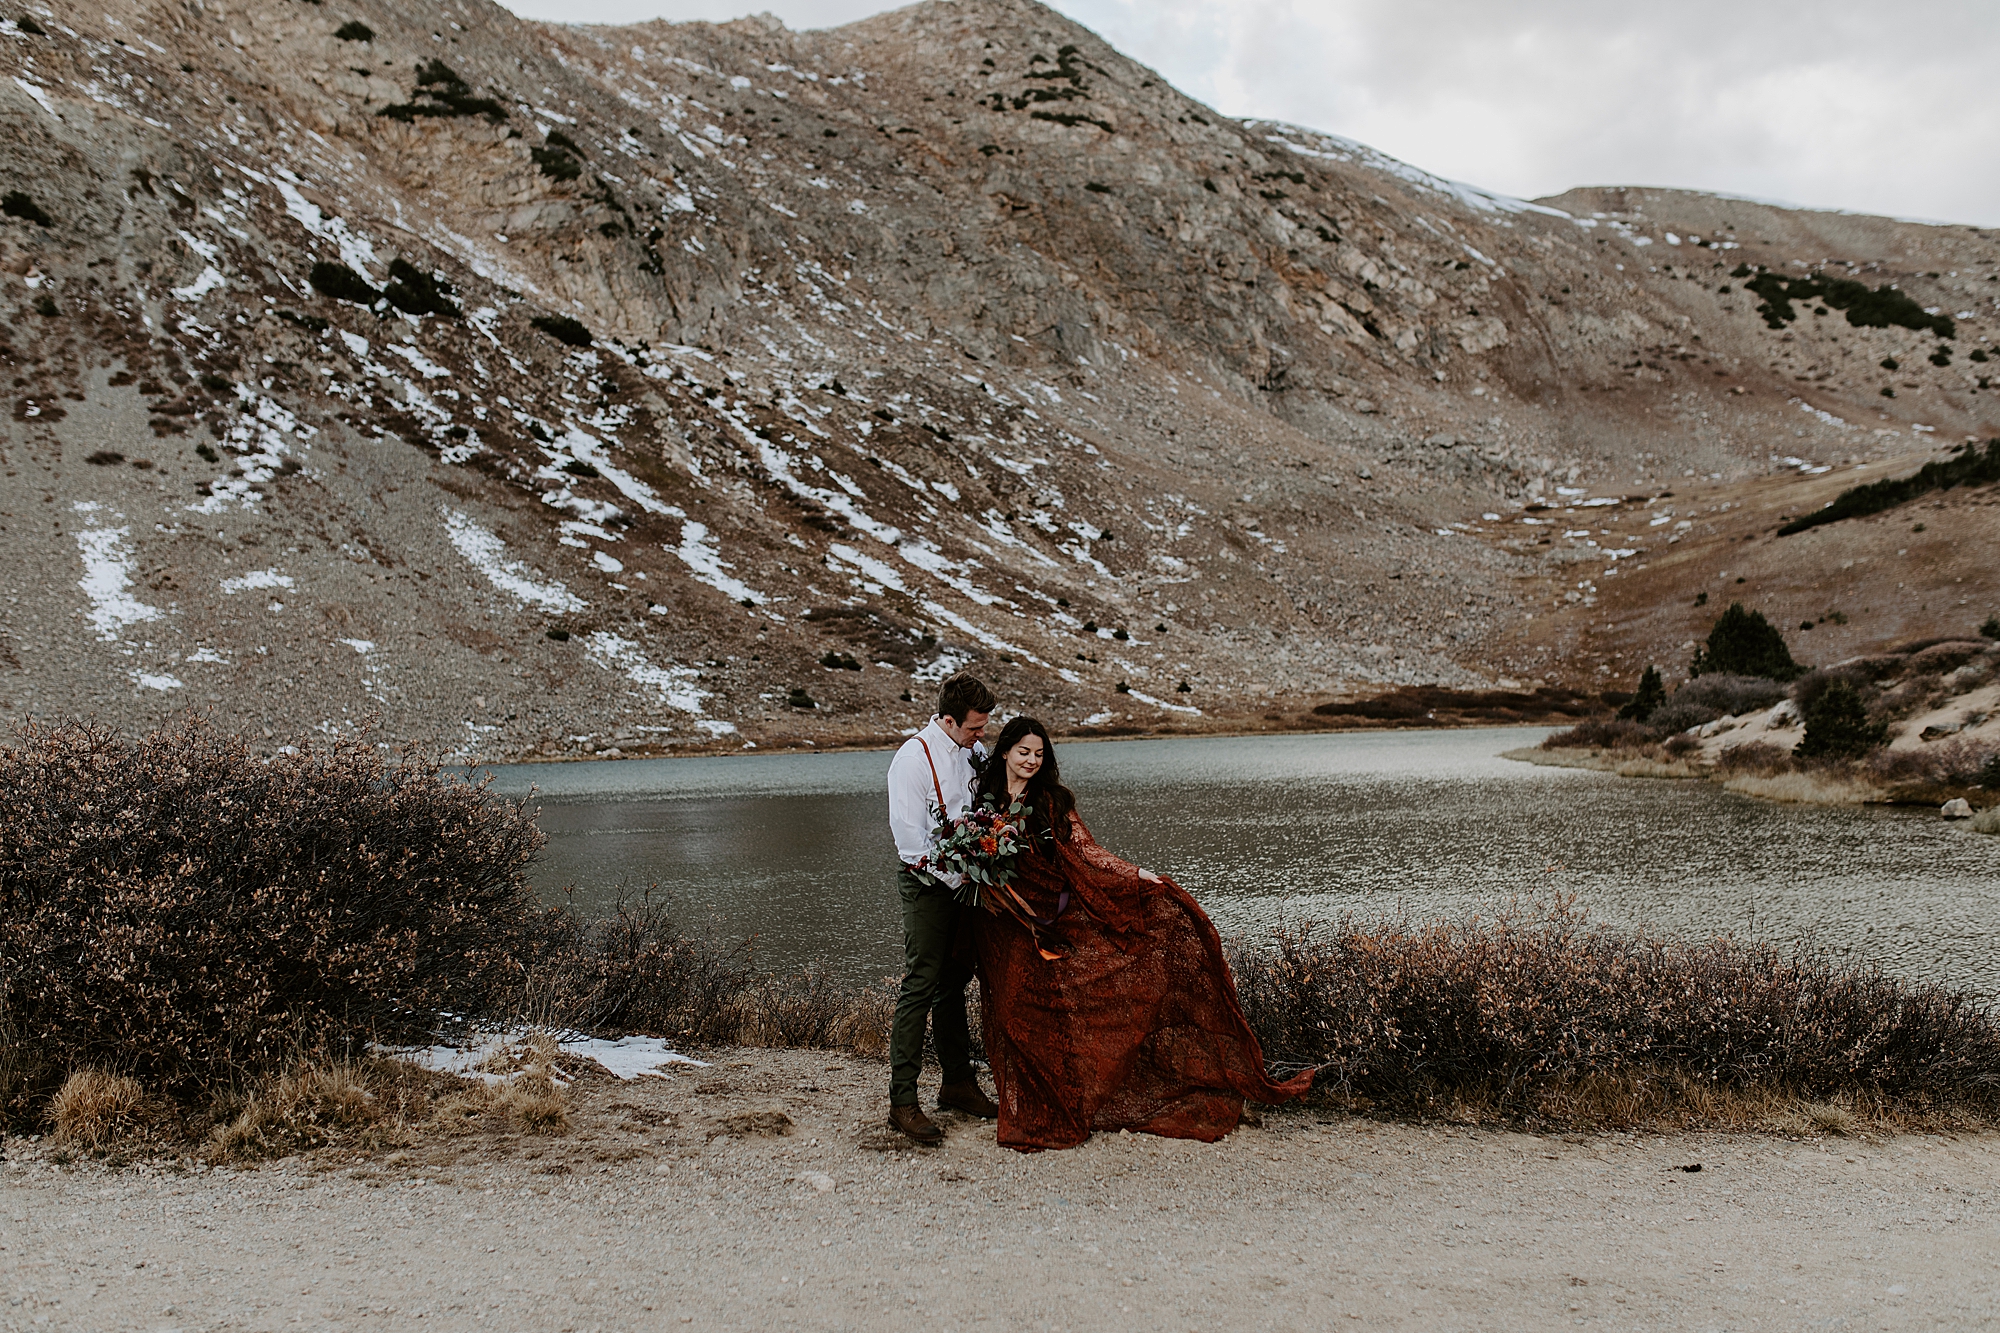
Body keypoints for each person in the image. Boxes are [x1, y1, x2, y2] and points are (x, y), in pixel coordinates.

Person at [969, 716, 1312, 1151]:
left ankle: (1062, 1105)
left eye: (1039, 754)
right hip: (1000, 923)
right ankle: (1031, 1100)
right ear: (1004, 752)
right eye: (1024, 752)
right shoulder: (983, 799)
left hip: (1047, 916)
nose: (1032, 761)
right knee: (1013, 1011)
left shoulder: (1052, 801)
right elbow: (971, 850)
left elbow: (1086, 852)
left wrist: (1134, 875)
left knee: (1046, 1009)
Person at [883, 672, 1002, 1144]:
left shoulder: (971, 751)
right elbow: (911, 844)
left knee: (954, 981)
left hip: (965, 882)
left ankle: (957, 1084)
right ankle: (902, 1102)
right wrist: (963, 875)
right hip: (927, 885)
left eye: (984, 727)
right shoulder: (911, 760)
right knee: (921, 982)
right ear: (948, 719)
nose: (981, 737)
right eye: (975, 728)